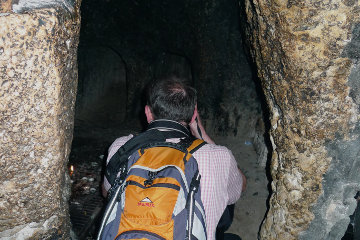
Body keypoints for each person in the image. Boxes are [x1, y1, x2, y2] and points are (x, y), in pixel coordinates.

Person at [102, 76, 246, 240]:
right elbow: (239, 188)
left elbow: (108, 193)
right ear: (193, 116)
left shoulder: (121, 147)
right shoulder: (218, 156)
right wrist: (201, 133)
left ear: (148, 112)